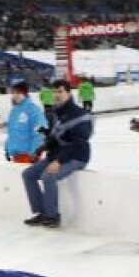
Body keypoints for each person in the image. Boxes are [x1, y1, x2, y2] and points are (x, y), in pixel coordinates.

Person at [22, 80, 93, 228]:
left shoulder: (80, 115)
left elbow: (78, 143)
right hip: (57, 154)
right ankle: (42, 212)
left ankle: (52, 216)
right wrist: (41, 149)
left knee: (48, 176)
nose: (56, 95)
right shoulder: (57, 113)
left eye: (60, 91)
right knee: (28, 174)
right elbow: (56, 138)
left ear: (69, 93)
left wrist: (59, 161)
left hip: (77, 156)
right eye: (54, 92)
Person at [4, 81, 46, 164]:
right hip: (16, 155)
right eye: (13, 93)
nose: (15, 96)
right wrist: (7, 148)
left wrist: (35, 152)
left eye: (18, 93)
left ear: (25, 94)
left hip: (28, 155)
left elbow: (39, 132)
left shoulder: (33, 110)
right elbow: (11, 132)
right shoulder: (14, 111)